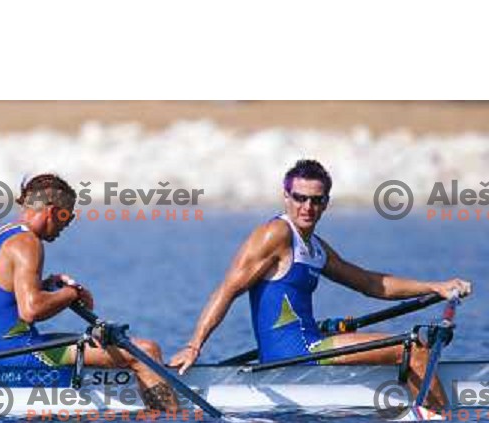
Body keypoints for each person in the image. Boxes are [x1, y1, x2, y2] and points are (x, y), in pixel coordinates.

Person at [170, 159, 472, 410]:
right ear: (286, 198)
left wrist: (435, 286)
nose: (307, 207)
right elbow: (227, 290)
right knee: (417, 347)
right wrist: (193, 346)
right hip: (296, 354)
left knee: (414, 347)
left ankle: (415, 405)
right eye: (300, 198)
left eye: (316, 200)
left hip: (312, 347)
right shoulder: (275, 234)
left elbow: (370, 284)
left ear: (326, 203)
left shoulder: (315, 248)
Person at [0, 173, 178, 410]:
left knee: (112, 344)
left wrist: (47, 286)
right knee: (145, 351)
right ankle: (170, 422)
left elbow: (1, 295)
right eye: (68, 216)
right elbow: (31, 310)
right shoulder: (28, 243)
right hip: (19, 354)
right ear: (53, 212)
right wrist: (71, 295)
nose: (67, 224)